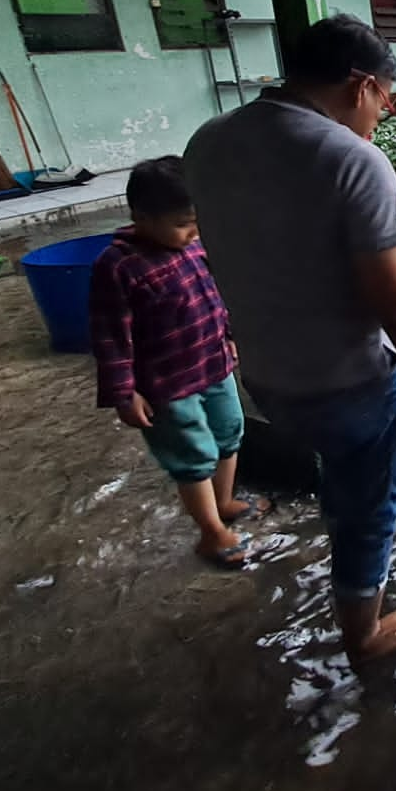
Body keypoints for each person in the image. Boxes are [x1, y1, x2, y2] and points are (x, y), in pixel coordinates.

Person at [185, 14, 396, 667]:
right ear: (359, 85)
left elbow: (265, 242)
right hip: (350, 384)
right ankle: (365, 637)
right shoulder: (353, 160)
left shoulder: (208, 141)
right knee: (370, 511)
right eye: (385, 97)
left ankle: (339, 522)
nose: (385, 113)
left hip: (267, 377)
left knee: (338, 474)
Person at [90, 155, 262, 568]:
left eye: (198, 222)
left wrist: (230, 338)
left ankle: (222, 502)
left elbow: (215, 298)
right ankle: (210, 532)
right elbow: (110, 336)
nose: (193, 232)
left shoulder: (193, 247)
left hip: (213, 365)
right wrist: (123, 393)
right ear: (141, 217)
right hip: (167, 385)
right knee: (193, 454)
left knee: (228, 433)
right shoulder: (118, 267)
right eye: (183, 223)